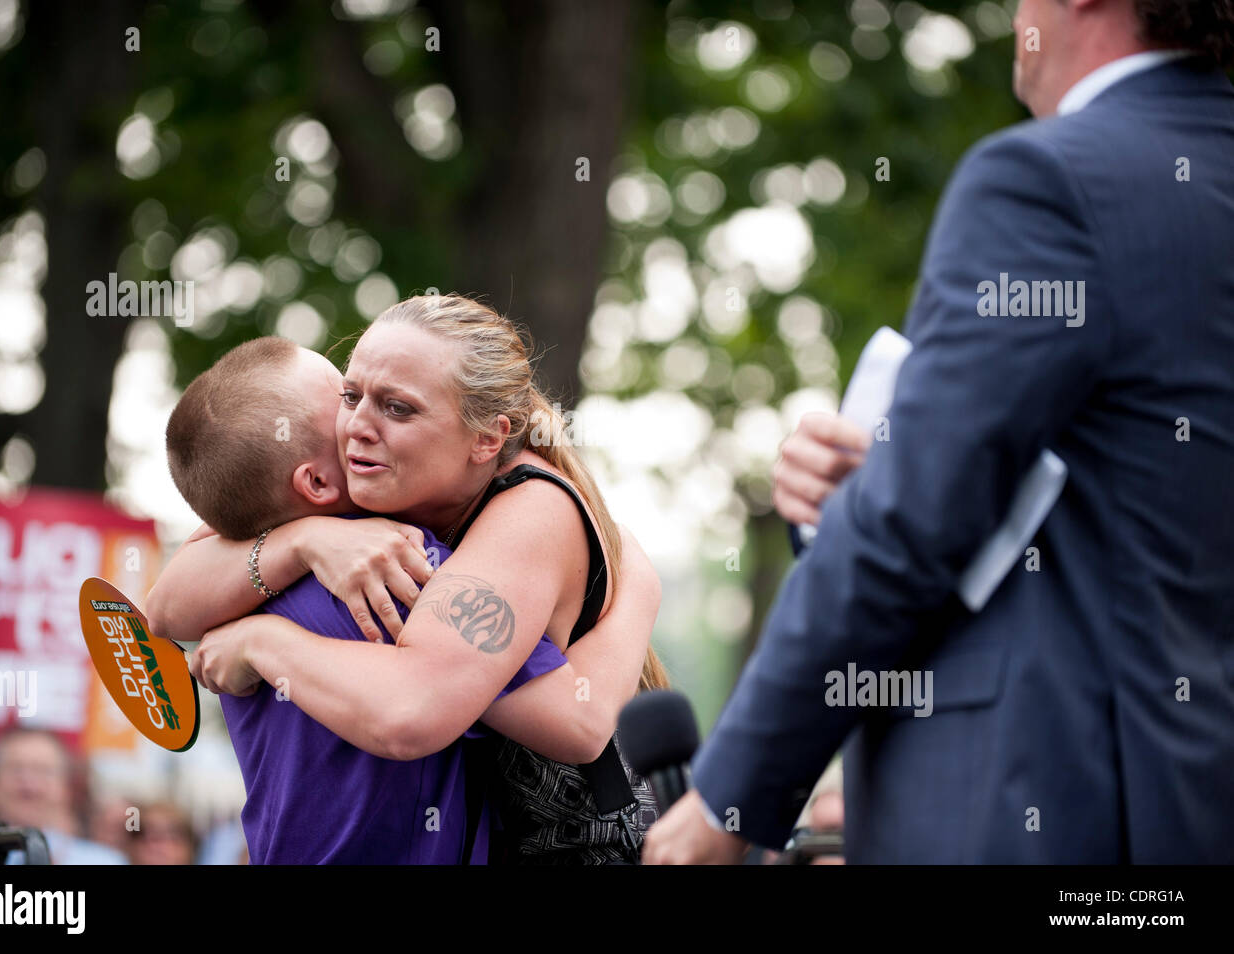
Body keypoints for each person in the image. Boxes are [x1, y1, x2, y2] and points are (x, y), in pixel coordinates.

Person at [645, 0, 1234, 863]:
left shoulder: (1047, 182)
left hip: (1050, 807)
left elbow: (913, 526)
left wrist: (731, 799)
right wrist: (871, 485)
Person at [151, 296, 667, 862]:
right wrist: (303, 542)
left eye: (398, 408)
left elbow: (572, 719)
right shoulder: (360, 494)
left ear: (487, 440)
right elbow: (167, 605)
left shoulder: (528, 508)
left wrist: (260, 642)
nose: (356, 428)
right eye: (350, 396)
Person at [0, 728, 127, 865]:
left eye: (43, 771)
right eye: (15, 769)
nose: (29, 784)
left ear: (66, 786)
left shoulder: (105, 861)